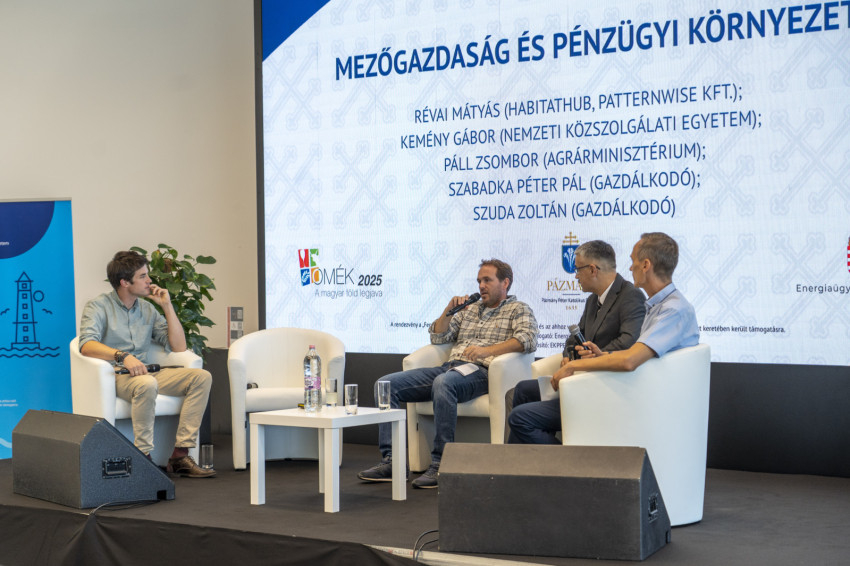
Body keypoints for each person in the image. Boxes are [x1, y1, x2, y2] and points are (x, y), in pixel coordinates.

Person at [358, 259, 538, 488]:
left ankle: (441, 463)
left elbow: (527, 340)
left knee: (444, 382)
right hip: (450, 367)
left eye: (487, 280)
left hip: (482, 371)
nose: (481, 286)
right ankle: (392, 462)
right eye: (479, 281)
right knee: (386, 385)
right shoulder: (469, 309)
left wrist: (487, 351)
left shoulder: (518, 308)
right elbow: (438, 337)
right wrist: (448, 311)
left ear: (505, 283)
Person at [509, 232, 699, 444]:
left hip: (629, 396)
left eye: (633, 261)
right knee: (522, 397)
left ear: (646, 265)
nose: (630, 268)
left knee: (520, 417)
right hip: (622, 387)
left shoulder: (673, 310)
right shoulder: (657, 306)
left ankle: (569, 463)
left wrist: (576, 366)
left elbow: (629, 359)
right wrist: (600, 356)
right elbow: (630, 353)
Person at [79, 251, 215, 478]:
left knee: (201, 377)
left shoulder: (147, 309)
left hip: (146, 371)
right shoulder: (98, 306)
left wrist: (167, 306)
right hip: (117, 375)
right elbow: (86, 344)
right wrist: (122, 356)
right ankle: (143, 457)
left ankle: (180, 455)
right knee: (146, 384)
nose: (150, 281)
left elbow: (179, 347)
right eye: (143, 276)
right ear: (124, 282)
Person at [506, 240, 646, 444]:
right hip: (581, 378)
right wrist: (567, 359)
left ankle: (566, 460)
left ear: (593, 269)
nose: (576, 276)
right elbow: (574, 337)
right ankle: (517, 460)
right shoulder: (593, 299)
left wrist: (589, 360)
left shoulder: (631, 296)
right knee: (521, 391)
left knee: (520, 417)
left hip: (603, 386)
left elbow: (629, 343)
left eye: (578, 269)